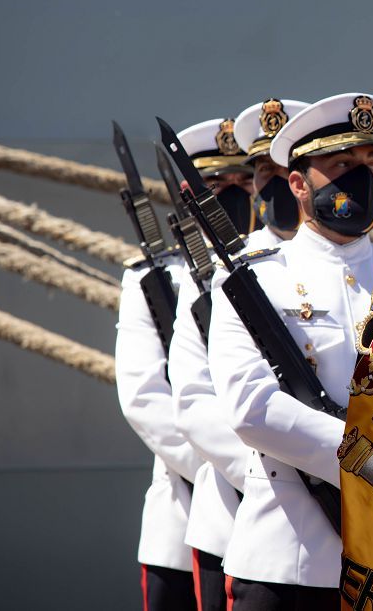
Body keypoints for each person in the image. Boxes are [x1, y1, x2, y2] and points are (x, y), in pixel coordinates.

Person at [207, 92, 373, 610]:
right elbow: (252, 408)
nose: (361, 177)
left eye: (371, 164)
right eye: (341, 165)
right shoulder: (255, 279)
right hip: (292, 563)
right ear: (298, 183)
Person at [168, 104, 306, 611]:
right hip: (245, 507)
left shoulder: (372, 266)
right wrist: (277, 471)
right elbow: (194, 398)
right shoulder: (231, 272)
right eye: (263, 173)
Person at [116, 116, 256, 611]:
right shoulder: (156, 280)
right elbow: (145, 399)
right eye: (218, 185)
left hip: (280, 508)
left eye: (244, 183)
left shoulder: (275, 270)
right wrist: (234, 468)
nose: (233, 196)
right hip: (191, 503)